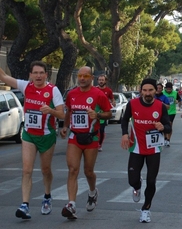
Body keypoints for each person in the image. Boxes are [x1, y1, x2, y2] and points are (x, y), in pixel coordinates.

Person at [0, 61, 64, 219]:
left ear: (46, 75)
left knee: (45, 170)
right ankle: (25, 205)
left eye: (41, 73)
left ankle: (47, 196)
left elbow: (62, 115)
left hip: (46, 135)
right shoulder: (25, 86)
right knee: (26, 170)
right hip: (29, 134)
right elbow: (3, 76)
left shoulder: (52, 90)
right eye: (35, 73)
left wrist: (50, 111)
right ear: (30, 75)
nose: (38, 76)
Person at [60, 66, 112, 219]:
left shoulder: (98, 94)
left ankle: (92, 192)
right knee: (72, 169)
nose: (82, 78)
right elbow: (69, 111)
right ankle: (71, 204)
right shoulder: (72, 94)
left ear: (92, 78)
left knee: (88, 171)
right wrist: (65, 127)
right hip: (75, 136)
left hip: (91, 137)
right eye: (80, 75)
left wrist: (98, 115)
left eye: (86, 76)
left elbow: (109, 113)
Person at [120, 78, 171, 223]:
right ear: (141, 91)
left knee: (152, 180)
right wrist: (124, 134)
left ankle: (146, 209)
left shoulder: (161, 106)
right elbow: (124, 120)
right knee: (133, 179)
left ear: (156, 91)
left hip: (154, 149)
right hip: (136, 147)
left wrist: (163, 127)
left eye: (151, 90)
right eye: (145, 90)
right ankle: (137, 186)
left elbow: (168, 126)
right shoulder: (132, 104)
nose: (147, 93)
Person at [96, 74, 116, 151]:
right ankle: (94, 143)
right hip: (94, 112)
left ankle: (100, 144)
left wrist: (113, 102)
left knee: (101, 129)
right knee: (94, 129)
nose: (101, 81)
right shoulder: (94, 89)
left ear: (105, 81)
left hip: (103, 113)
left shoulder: (108, 91)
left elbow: (112, 99)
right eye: (99, 80)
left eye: (102, 80)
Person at [162, 82, 181, 147]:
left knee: (170, 125)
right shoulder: (162, 93)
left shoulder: (175, 93)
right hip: (164, 112)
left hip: (172, 112)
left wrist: (177, 101)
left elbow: (179, 99)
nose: (169, 90)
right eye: (167, 89)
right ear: (165, 88)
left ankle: (168, 140)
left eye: (170, 89)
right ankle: (165, 138)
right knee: (164, 126)